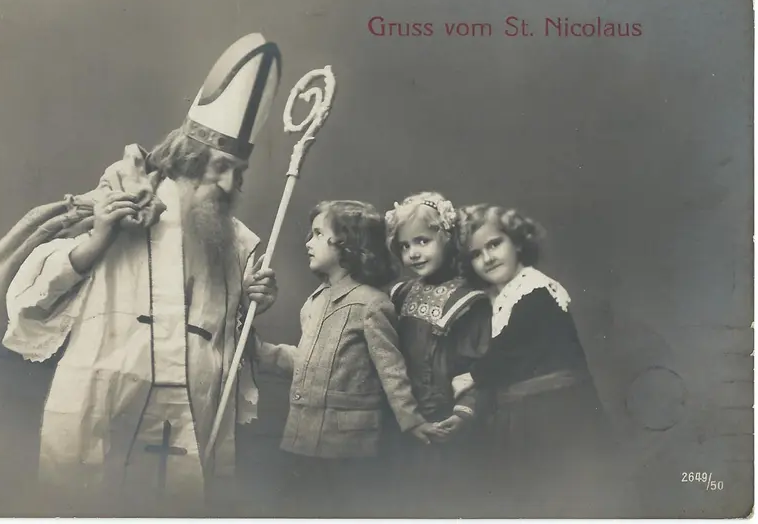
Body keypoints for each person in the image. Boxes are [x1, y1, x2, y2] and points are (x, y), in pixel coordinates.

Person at [0, 33, 283, 516]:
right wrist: (98, 239)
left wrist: (251, 303)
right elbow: (33, 294)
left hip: (192, 413)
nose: (231, 183)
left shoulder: (236, 241)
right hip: (107, 407)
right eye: (222, 166)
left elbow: (224, 340)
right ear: (192, 157)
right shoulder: (125, 200)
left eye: (240, 171)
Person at [253, 200, 440, 518]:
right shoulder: (314, 303)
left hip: (348, 447)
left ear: (346, 243)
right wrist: (258, 351)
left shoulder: (371, 304)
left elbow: (391, 371)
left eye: (317, 234)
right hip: (301, 438)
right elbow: (308, 363)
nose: (308, 243)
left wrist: (412, 421)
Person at [456, 203, 622, 517]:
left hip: (555, 411)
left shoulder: (534, 290)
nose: (488, 258)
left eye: (494, 244)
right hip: (531, 411)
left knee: (560, 491)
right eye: (476, 254)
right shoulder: (503, 296)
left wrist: (472, 376)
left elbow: (512, 349)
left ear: (517, 243)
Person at [381, 192, 493, 517]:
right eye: (405, 246)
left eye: (422, 241)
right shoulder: (400, 293)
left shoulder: (469, 301)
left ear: (447, 236)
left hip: (441, 419)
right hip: (400, 417)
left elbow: (477, 366)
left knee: (437, 498)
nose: (413, 253)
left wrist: (462, 413)